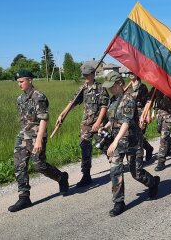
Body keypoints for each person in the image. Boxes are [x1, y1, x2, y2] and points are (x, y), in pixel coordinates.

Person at [100, 71, 160, 217]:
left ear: (120, 84)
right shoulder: (113, 100)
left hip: (132, 141)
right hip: (119, 142)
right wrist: (106, 126)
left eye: (112, 86)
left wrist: (114, 141)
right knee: (115, 169)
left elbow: (126, 122)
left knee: (136, 173)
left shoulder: (129, 100)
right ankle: (118, 202)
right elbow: (114, 118)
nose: (110, 89)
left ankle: (152, 182)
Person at [9, 70, 69, 212]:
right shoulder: (20, 99)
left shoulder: (38, 97)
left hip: (36, 136)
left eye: (22, 81)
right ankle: (24, 197)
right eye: (18, 82)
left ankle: (61, 177)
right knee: (19, 165)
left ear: (30, 80)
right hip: (23, 135)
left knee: (39, 165)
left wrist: (39, 140)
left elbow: (43, 119)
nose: (19, 84)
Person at [56, 62, 109, 187]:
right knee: (84, 147)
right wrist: (62, 114)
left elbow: (104, 106)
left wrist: (98, 122)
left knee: (103, 145)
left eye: (87, 75)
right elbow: (73, 102)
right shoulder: (82, 88)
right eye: (84, 75)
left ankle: (115, 163)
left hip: (98, 123)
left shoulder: (101, 88)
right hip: (86, 123)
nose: (85, 77)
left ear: (93, 74)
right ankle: (86, 175)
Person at [150, 90, 171, 171]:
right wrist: (149, 114)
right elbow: (150, 100)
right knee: (163, 134)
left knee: (164, 136)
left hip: (169, 114)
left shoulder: (170, 86)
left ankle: (161, 160)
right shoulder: (156, 87)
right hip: (160, 115)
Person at [125, 71, 154, 161]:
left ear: (137, 74)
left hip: (141, 113)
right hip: (131, 115)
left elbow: (147, 102)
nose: (130, 74)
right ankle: (148, 148)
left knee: (139, 135)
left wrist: (148, 115)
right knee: (135, 136)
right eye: (129, 73)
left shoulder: (142, 87)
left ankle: (138, 159)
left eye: (132, 72)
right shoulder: (128, 88)